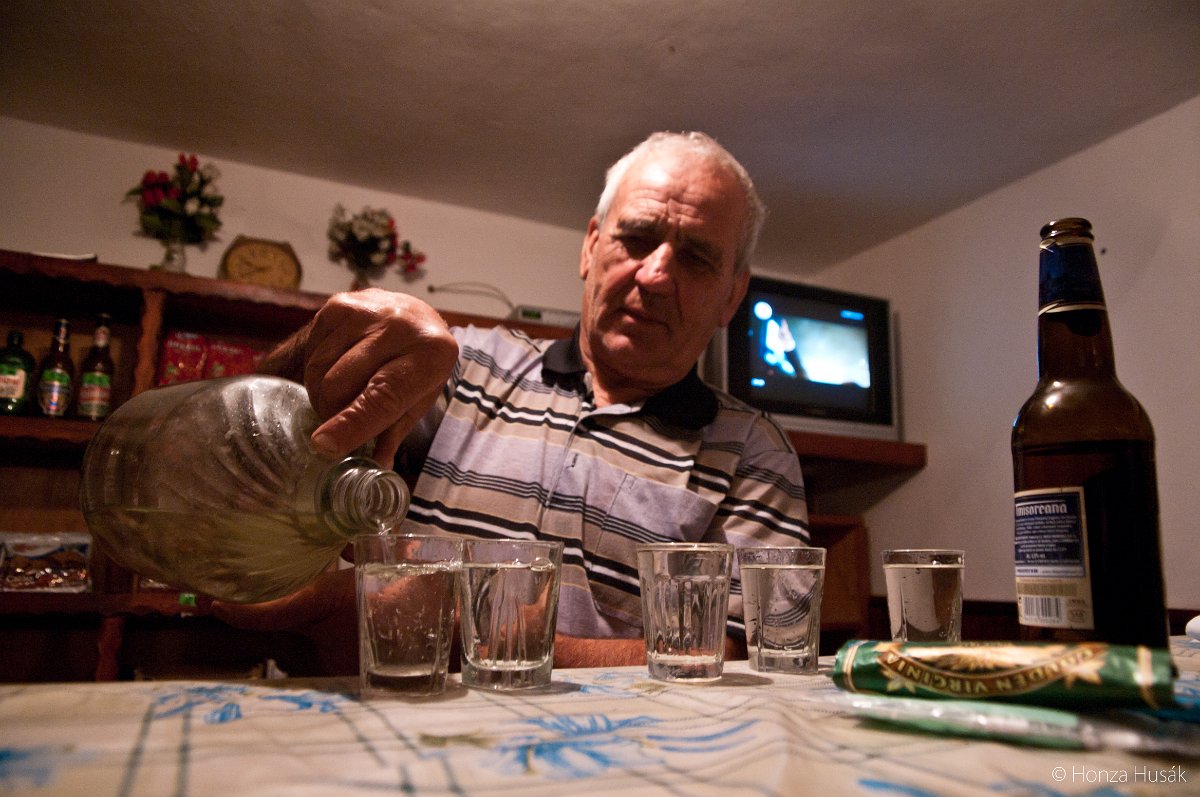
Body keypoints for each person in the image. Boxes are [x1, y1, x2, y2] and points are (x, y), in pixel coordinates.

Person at [215, 131, 810, 672]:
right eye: (636, 238)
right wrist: (326, 344)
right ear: (591, 247)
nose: (654, 276)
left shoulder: (754, 450)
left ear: (732, 296)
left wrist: (463, 633)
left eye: (697, 258)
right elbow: (260, 448)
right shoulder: (461, 364)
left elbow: (750, 655)